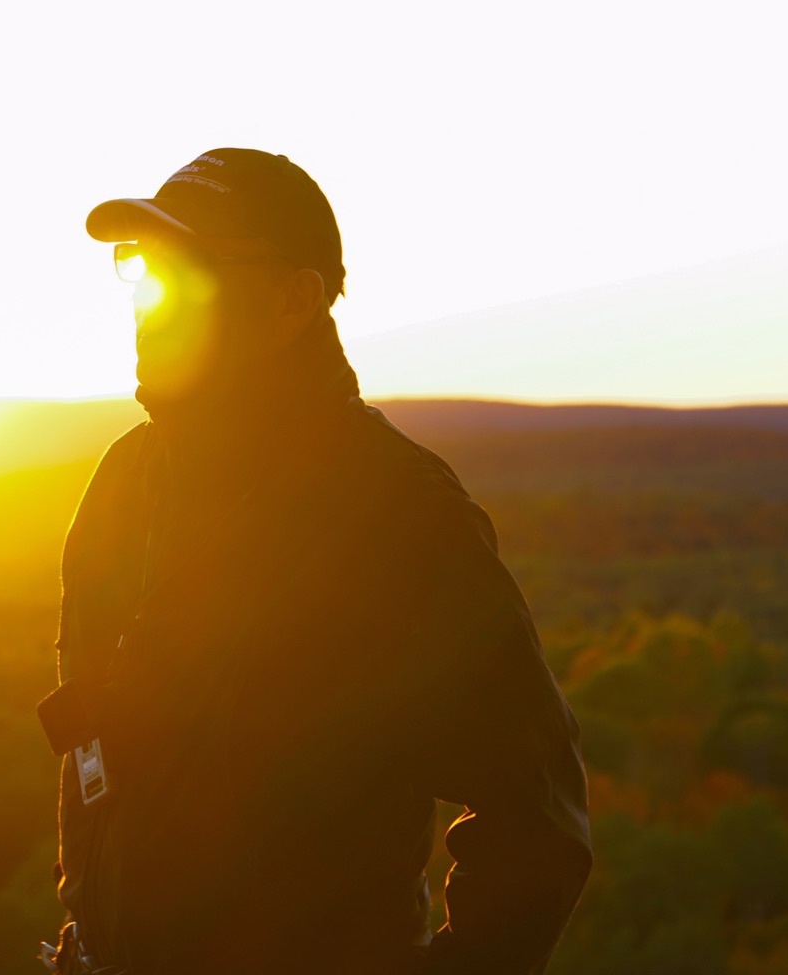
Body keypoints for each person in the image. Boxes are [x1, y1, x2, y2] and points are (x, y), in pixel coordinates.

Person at [37, 149, 592, 974]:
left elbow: (534, 817)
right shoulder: (128, 477)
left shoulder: (394, 512)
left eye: (188, 274)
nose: (151, 307)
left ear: (294, 299)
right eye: (144, 271)